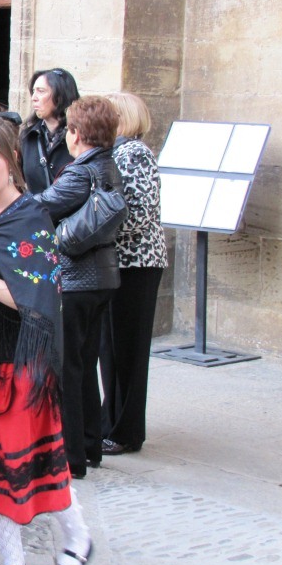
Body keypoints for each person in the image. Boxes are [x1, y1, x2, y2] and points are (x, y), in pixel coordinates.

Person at [0, 117, 92, 565]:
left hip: (19, 360)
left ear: (12, 160)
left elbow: (37, 301)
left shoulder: (30, 217)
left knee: (32, 460)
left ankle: (77, 538)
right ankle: (12, 564)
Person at [33, 96, 122, 479]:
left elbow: (42, 205)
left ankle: (72, 458)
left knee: (68, 369)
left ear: (76, 134)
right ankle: (89, 445)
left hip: (75, 280)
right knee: (85, 365)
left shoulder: (80, 172)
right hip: (103, 278)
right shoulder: (108, 165)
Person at [100, 93, 167, 456]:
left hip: (137, 264)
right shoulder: (116, 152)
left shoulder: (135, 153)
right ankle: (110, 422)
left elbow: (140, 212)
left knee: (128, 349)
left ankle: (127, 431)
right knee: (110, 348)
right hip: (118, 261)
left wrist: (97, 227)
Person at [20, 68, 79, 194]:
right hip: (36, 206)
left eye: (41, 91)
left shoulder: (80, 137)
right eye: (33, 91)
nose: (34, 98)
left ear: (60, 95)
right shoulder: (28, 137)